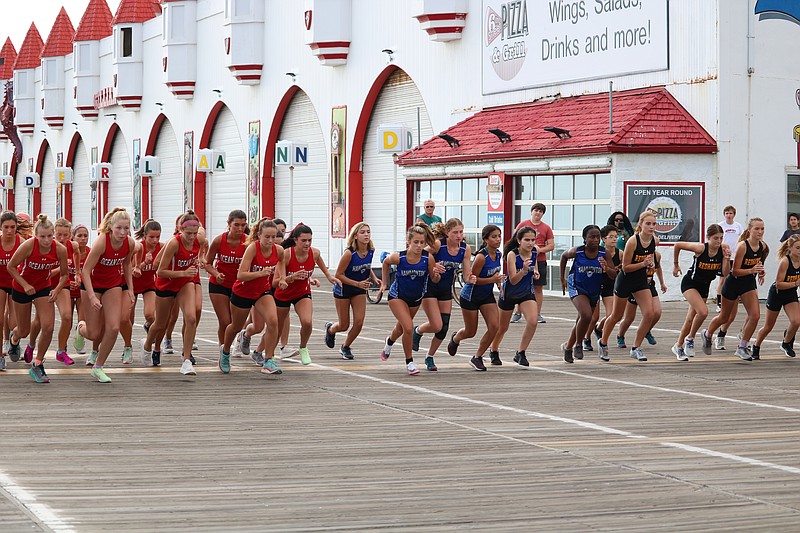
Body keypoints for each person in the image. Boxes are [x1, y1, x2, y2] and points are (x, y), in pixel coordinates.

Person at [141, 210, 206, 375]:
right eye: (188, 233)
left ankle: (186, 360)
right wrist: (183, 272)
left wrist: (201, 259)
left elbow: (203, 251)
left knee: (191, 317)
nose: (191, 237)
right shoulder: (174, 243)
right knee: (161, 323)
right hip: (167, 283)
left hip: (185, 283)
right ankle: (148, 345)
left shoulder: (200, 240)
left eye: (194, 233)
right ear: (180, 230)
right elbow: (160, 270)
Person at [76, 208, 136, 382]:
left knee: (113, 327)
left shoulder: (129, 243)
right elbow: (86, 271)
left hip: (112, 285)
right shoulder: (102, 242)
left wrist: (130, 289)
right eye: (119, 228)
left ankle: (98, 366)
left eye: (126, 228)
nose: (123, 232)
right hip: (92, 286)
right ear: (111, 227)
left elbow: (126, 266)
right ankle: (80, 327)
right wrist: (92, 296)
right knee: (94, 333)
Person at [7, 215, 69, 383]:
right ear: (36, 236)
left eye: (50, 236)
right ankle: (14, 338)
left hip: (43, 288)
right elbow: (11, 267)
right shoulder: (28, 246)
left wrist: (56, 289)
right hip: (22, 287)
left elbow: (64, 274)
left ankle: (38, 363)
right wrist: (25, 284)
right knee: (24, 330)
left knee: (48, 326)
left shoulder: (59, 249)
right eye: (42, 236)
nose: (47, 240)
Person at [220, 218, 284, 374]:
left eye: (273, 237)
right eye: (266, 237)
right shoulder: (252, 249)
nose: (270, 240)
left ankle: (268, 360)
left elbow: (281, 264)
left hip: (262, 291)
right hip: (243, 291)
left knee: (273, 321)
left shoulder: (279, 250)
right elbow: (240, 275)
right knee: (235, 326)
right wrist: (260, 273)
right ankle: (225, 351)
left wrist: (281, 278)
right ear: (259, 236)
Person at [378, 223, 442, 375]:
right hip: (397, 296)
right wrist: (384, 283)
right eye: (416, 242)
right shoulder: (399, 257)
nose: (419, 246)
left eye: (422, 242)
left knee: (401, 328)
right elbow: (386, 262)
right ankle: (410, 362)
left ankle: (389, 342)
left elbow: (434, 279)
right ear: (409, 242)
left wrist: (437, 274)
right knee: (408, 327)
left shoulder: (428, 258)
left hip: (415, 298)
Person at [598, 210, 660, 362]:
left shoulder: (654, 240)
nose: (651, 227)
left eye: (653, 224)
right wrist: (643, 263)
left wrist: (650, 264)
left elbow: (650, 257)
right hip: (625, 280)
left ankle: (636, 347)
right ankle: (603, 342)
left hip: (640, 281)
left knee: (650, 313)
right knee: (616, 316)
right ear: (641, 224)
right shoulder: (633, 241)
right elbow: (625, 267)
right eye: (648, 224)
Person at [411, 218, 472, 371]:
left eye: (461, 232)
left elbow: (466, 275)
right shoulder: (439, 244)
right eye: (455, 232)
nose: (459, 236)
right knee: (436, 324)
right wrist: (433, 264)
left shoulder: (465, 249)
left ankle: (429, 357)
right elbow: (419, 257)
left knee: (443, 328)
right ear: (447, 233)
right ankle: (418, 331)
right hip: (430, 287)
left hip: (445, 289)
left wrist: (471, 278)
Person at [274, 223, 339, 365]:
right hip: (283, 294)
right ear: (295, 240)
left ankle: (303, 347)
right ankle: (269, 353)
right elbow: (279, 280)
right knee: (277, 327)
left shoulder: (314, 253)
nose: (307, 243)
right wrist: (290, 278)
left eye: (310, 240)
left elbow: (318, 260)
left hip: (302, 293)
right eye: (304, 240)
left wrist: (328, 276)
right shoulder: (286, 254)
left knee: (307, 322)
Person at [703, 217, 768, 361]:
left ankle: (742, 346)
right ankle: (708, 333)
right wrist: (752, 270)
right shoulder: (743, 246)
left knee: (755, 315)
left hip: (748, 284)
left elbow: (758, 264)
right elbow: (735, 271)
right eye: (757, 228)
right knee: (725, 317)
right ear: (749, 230)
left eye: (762, 229)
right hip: (734, 283)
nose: (760, 231)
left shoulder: (762, 247)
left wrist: (761, 272)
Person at [447, 224, 504, 371]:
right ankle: (456, 338)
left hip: (486, 295)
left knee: (494, 327)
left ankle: (477, 357)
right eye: (494, 237)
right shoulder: (481, 257)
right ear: (485, 239)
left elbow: (495, 276)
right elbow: (472, 279)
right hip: (471, 295)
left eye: (499, 236)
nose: (498, 239)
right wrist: (492, 280)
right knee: (470, 332)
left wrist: (499, 284)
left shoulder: (498, 255)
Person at [671, 224, 730, 361]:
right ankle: (690, 338)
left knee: (691, 318)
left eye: (721, 238)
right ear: (708, 237)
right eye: (715, 238)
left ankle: (680, 345)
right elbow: (678, 245)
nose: (718, 242)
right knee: (703, 312)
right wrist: (675, 264)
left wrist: (726, 258)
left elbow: (725, 273)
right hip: (690, 284)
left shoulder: (723, 249)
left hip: (704, 286)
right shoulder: (701, 248)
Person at [325, 222, 378, 360]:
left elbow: (366, 266)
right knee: (344, 325)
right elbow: (339, 275)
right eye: (362, 232)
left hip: (359, 290)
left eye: (368, 231)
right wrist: (358, 283)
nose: (366, 234)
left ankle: (345, 346)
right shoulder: (349, 253)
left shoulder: (371, 250)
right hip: (343, 289)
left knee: (359, 322)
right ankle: (331, 329)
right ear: (355, 236)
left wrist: (374, 277)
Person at [490, 226, 540, 367]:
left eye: (533, 240)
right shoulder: (513, 255)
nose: (530, 243)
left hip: (526, 292)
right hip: (510, 293)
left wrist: (535, 272)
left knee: (533, 321)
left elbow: (534, 266)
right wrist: (524, 270)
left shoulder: (534, 251)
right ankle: (494, 350)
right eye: (527, 240)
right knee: (502, 327)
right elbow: (512, 279)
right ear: (519, 241)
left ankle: (521, 352)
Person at [559, 225, 609, 363]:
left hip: (594, 289)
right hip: (577, 286)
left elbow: (613, 274)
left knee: (581, 320)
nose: (595, 240)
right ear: (585, 239)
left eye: (598, 237)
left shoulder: (604, 253)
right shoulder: (578, 251)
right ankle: (579, 344)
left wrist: (606, 267)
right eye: (592, 237)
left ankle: (568, 347)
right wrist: (561, 278)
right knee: (587, 315)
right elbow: (563, 256)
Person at [752, 234, 800, 359]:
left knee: (796, 321)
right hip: (777, 294)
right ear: (790, 248)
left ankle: (786, 342)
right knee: (768, 326)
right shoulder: (785, 262)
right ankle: (756, 346)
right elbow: (779, 284)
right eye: (798, 248)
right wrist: (795, 283)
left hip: (790, 293)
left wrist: (795, 285)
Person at [205, 210, 248, 347]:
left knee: (236, 324)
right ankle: (223, 349)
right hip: (219, 284)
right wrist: (216, 274)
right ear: (229, 224)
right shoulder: (219, 240)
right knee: (225, 321)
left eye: (243, 225)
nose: (240, 229)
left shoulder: (248, 242)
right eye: (236, 225)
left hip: (240, 285)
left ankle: (234, 342)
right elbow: (207, 263)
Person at [615, 250, 666, 353]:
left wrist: (662, 283)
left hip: (649, 285)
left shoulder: (657, 255)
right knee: (629, 317)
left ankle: (646, 330)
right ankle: (620, 335)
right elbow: (627, 267)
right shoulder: (637, 254)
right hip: (636, 285)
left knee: (656, 312)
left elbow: (658, 267)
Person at [513, 203, 553, 324]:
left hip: (540, 261)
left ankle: (538, 313)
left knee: (538, 287)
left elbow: (551, 245)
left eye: (541, 211)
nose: (538, 213)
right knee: (520, 285)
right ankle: (517, 312)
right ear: (531, 211)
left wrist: (540, 250)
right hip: (523, 259)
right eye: (536, 210)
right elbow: (515, 240)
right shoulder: (523, 225)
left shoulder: (546, 228)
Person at [584, 224, 620, 352]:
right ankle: (586, 338)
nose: (615, 239)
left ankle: (598, 329)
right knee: (594, 317)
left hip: (610, 286)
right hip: (595, 285)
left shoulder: (620, 254)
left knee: (612, 314)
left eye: (616, 236)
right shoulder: (598, 252)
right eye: (611, 237)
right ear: (604, 239)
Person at [131, 219, 162, 364]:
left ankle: (149, 328)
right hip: (131, 285)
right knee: (127, 319)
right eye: (151, 237)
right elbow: (130, 270)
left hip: (149, 285)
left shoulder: (161, 248)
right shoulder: (137, 248)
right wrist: (144, 263)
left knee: (151, 315)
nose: (155, 240)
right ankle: (127, 347)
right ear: (144, 236)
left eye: (158, 237)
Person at [0, 212, 20, 370]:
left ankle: (14, 341)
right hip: (0, 283)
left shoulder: (22, 242)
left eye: (12, 227)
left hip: (16, 283)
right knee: (0, 320)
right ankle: (0, 356)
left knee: (15, 323)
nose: (9, 230)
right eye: (6, 227)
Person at [716, 205, 744, 315]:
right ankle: (719, 303)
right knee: (722, 279)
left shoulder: (738, 226)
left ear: (734, 214)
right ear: (724, 214)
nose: (729, 215)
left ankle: (734, 300)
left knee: (736, 278)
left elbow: (742, 239)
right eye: (727, 213)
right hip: (724, 256)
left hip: (735, 256)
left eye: (731, 213)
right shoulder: (720, 225)